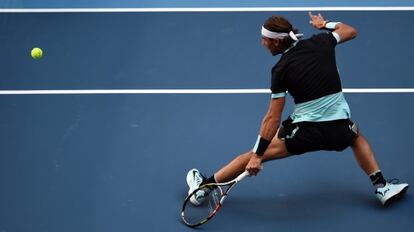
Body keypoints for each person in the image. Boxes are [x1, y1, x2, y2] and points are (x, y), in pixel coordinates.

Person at [186, 12, 409, 206]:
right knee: (356, 136)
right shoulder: (323, 42)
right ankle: (382, 187)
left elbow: (272, 117)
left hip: (306, 135)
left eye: (264, 40)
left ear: (276, 42)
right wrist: (325, 25)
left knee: (252, 155)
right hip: (339, 131)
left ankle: (203, 189)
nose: (262, 43)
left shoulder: (280, 70)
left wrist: (257, 156)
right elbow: (350, 31)